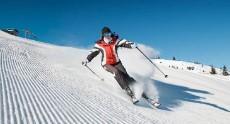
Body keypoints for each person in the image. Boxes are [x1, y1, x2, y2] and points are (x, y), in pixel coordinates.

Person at [82, 26, 139, 103]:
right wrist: (87, 60)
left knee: (126, 76)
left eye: (109, 33)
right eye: (105, 34)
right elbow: (93, 53)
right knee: (116, 72)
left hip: (117, 62)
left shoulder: (115, 40)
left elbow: (124, 43)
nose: (108, 35)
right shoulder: (99, 44)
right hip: (106, 64)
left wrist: (131, 45)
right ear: (103, 35)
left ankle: (140, 90)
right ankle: (129, 92)